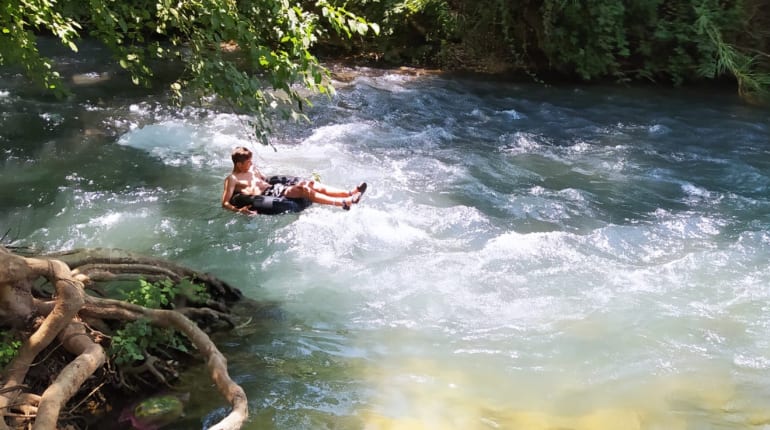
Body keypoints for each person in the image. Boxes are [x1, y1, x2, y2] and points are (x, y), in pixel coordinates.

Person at [221, 146, 367, 215]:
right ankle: (343, 203)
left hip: (275, 187)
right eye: (247, 162)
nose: (251, 163)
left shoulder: (252, 168)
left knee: (310, 184)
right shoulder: (232, 179)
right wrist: (239, 210)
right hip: (270, 194)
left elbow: (266, 180)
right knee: (304, 190)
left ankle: (350, 192)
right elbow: (225, 203)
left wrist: (289, 182)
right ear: (239, 164)